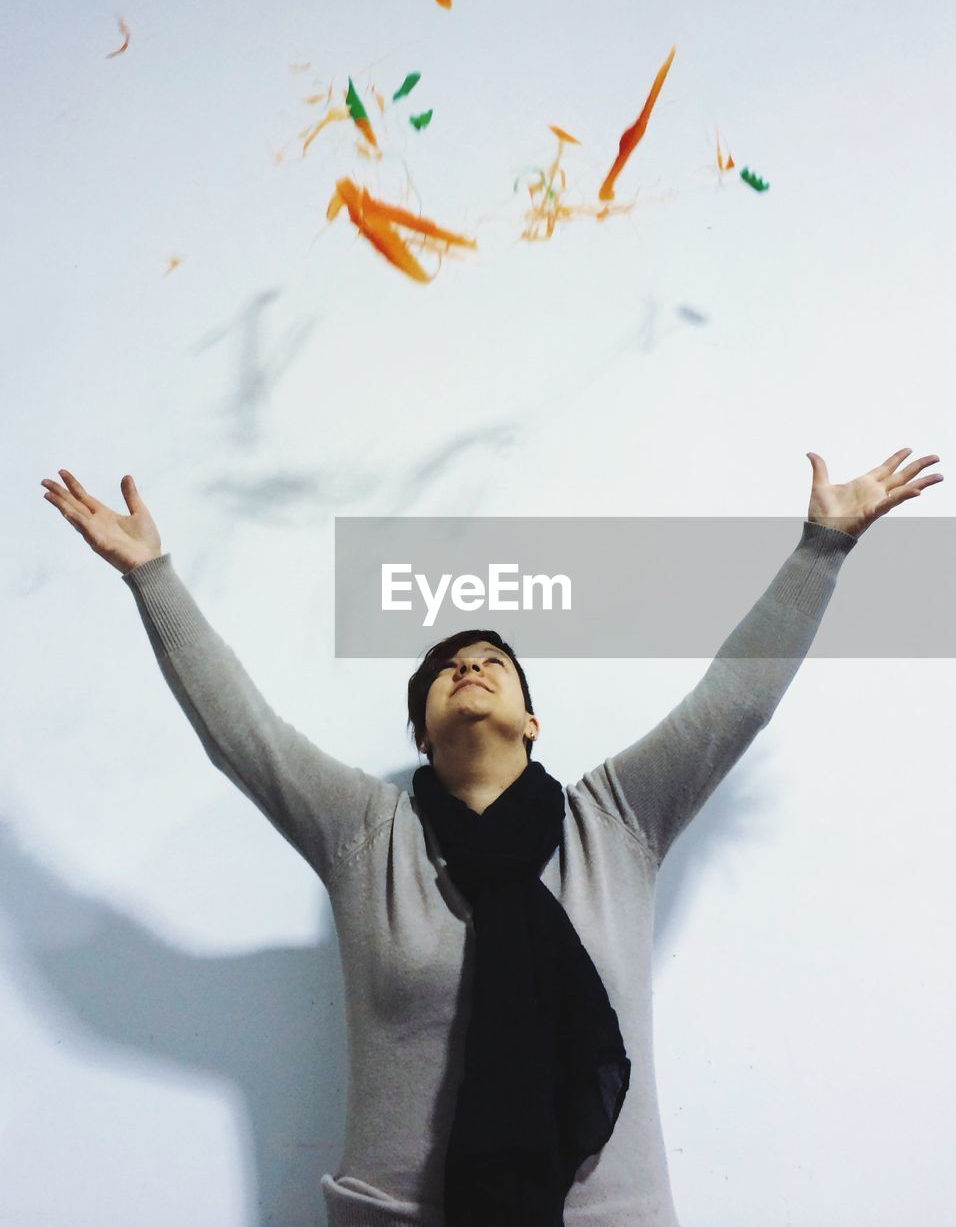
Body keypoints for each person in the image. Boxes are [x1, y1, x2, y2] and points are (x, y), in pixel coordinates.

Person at [40, 448, 943, 1227]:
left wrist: (824, 547)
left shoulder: (615, 821)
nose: (468, 667)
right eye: (445, 670)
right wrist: (149, 574)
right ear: (422, 734)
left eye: (492, 663)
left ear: (533, 721)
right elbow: (244, 733)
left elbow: (731, 703)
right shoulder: (367, 834)